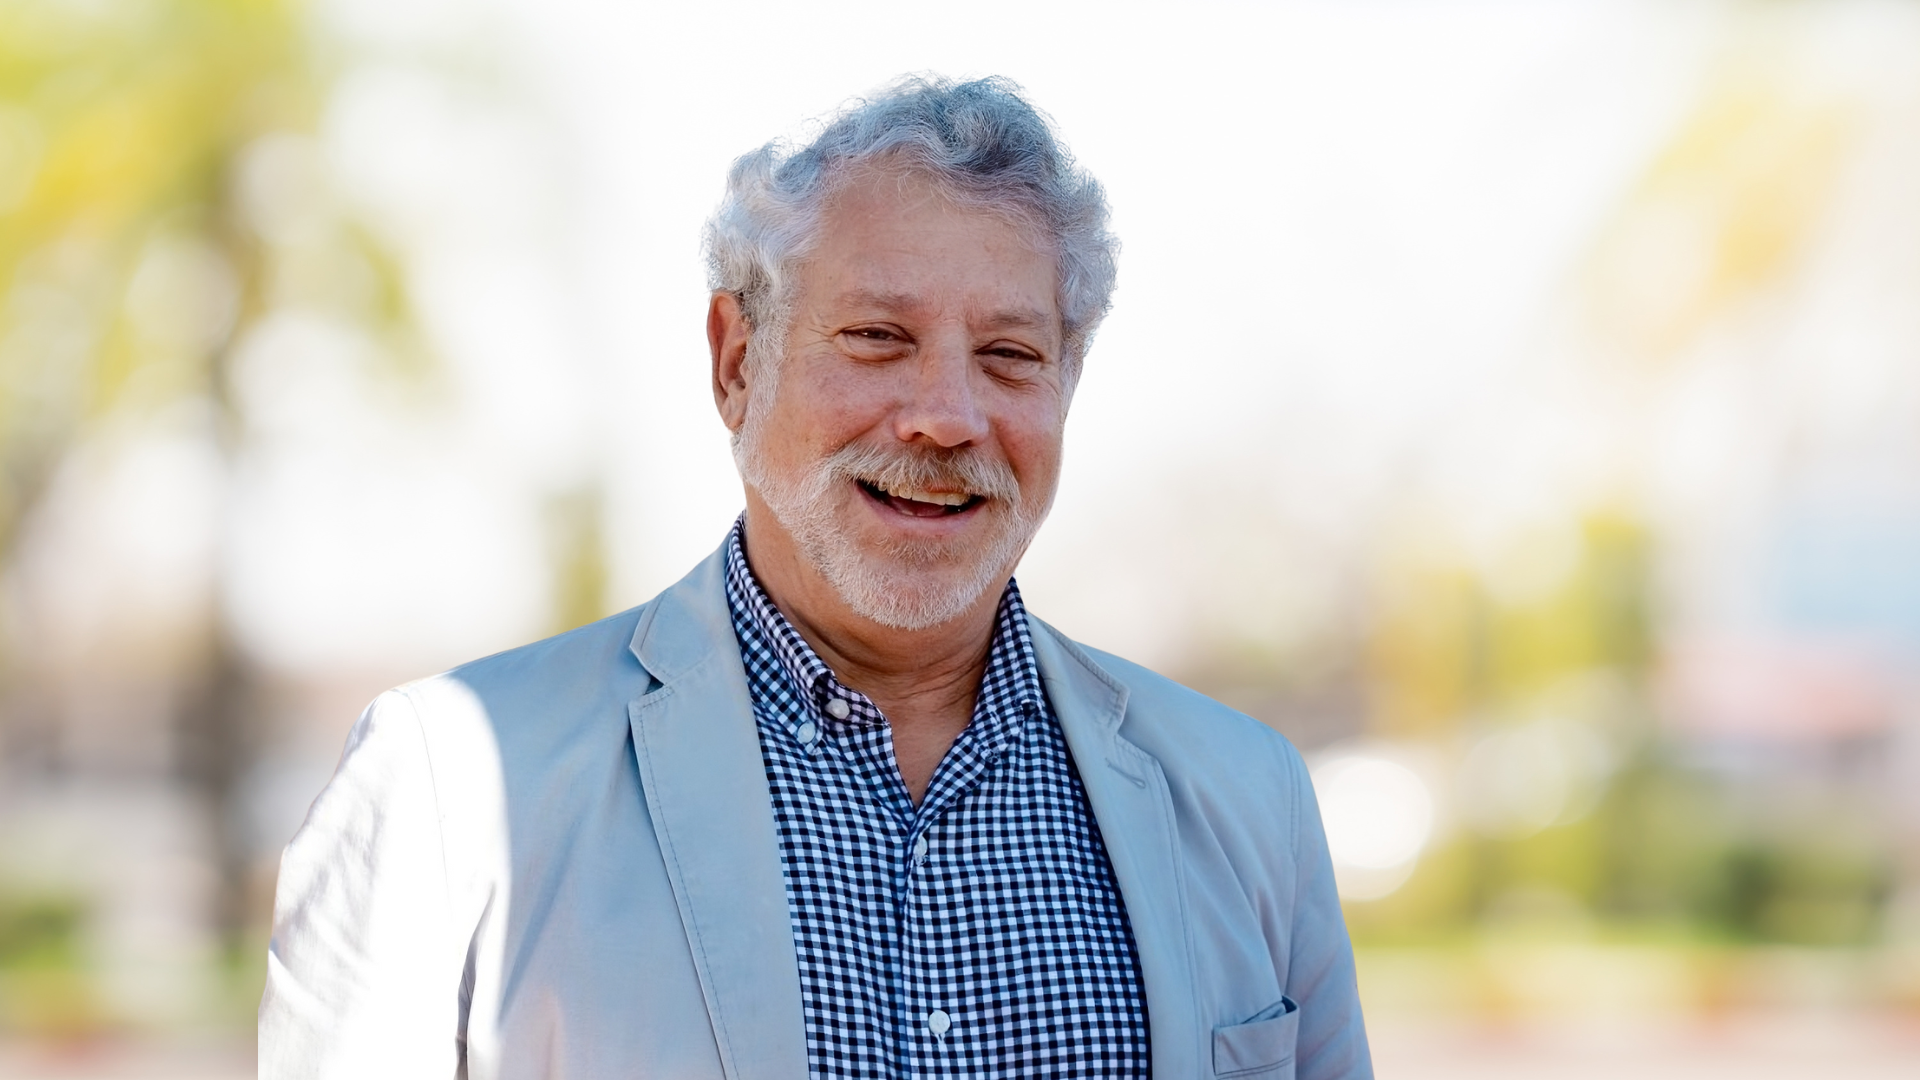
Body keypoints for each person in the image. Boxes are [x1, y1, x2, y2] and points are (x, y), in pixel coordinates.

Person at [260, 75, 1372, 1080]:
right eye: (878, 338)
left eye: (1010, 355)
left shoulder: (1250, 801)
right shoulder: (448, 794)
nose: (946, 415)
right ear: (738, 362)